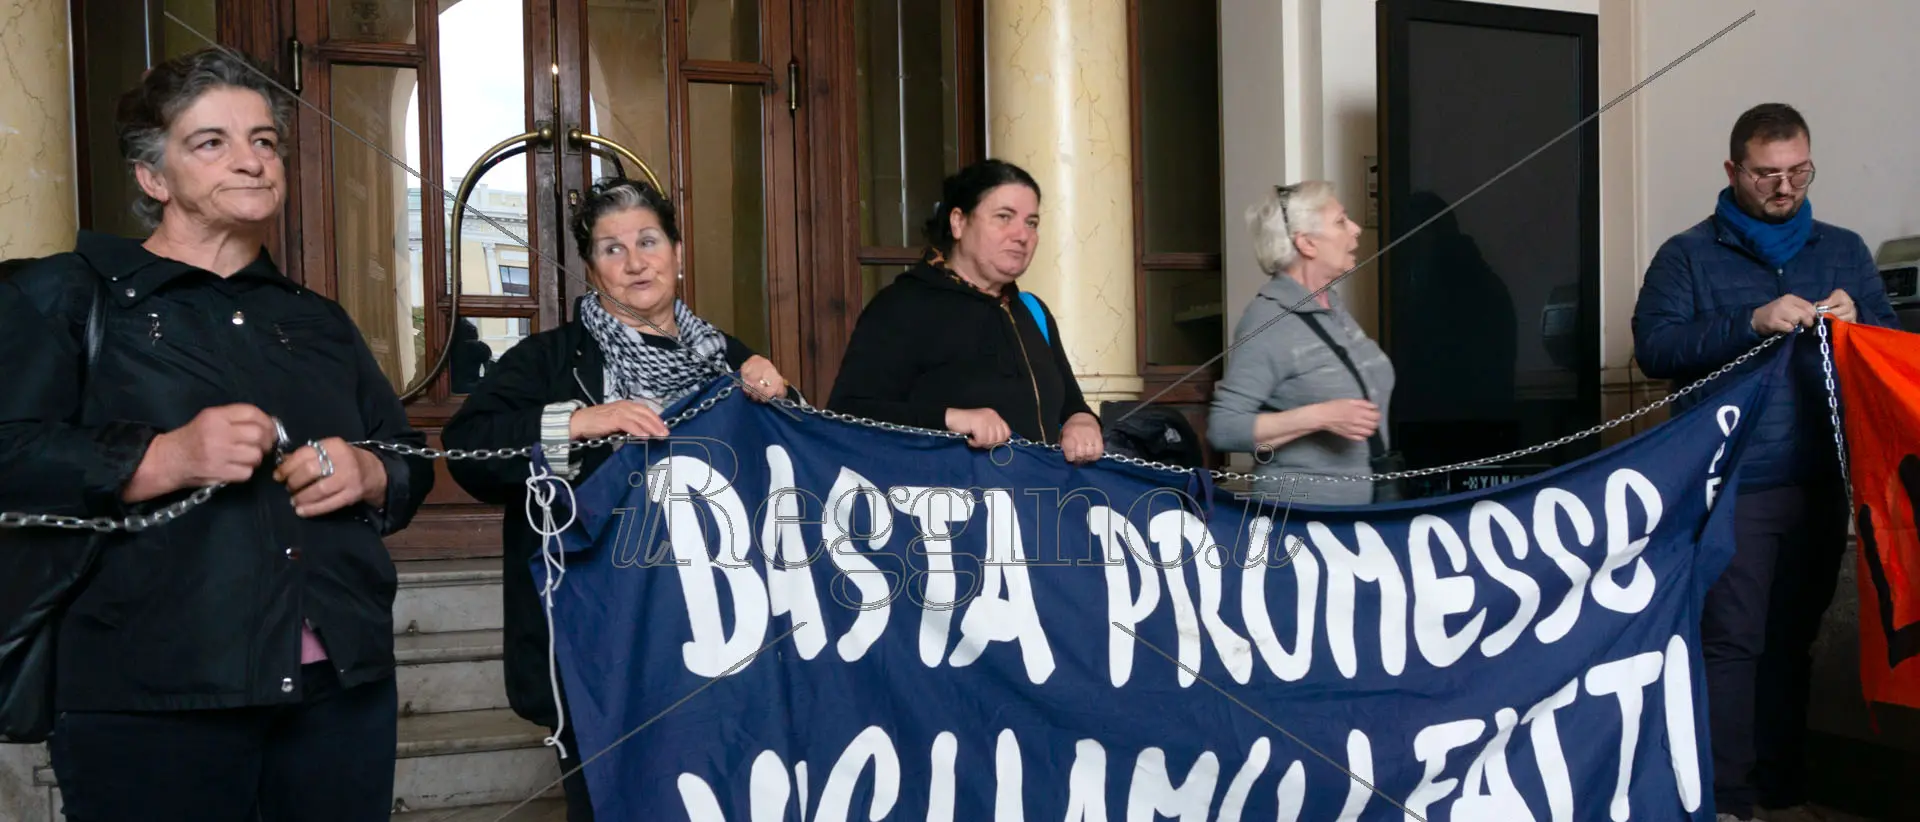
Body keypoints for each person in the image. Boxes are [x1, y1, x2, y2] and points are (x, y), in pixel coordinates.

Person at [0, 47, 434, 821]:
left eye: (265, 141)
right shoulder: (70, 295)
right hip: (151, 696)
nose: (252, 161)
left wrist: (371, 473)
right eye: (213, 142)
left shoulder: (317, 320)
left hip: (338, 689)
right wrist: (161, 456)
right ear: (153, 177)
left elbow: (408, 463)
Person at [440, 176, 791, 822]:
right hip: (605, 645)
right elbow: (469, 449)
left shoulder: (726, 358)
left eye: (648, 241)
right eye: (611, 249)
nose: (634, 262)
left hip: (718, 634)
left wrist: (779, 395)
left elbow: (786, 470)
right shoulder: (550, 361)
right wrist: (576, 423)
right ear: (591, 268)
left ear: (678, 253)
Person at [1631, 102, 1900, 822]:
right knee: (1733, 642)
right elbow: (1654, 349)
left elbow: (1892, 345)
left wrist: (1863, 323)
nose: (1785, 188)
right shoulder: (1686, 255)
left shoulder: (1844, 248)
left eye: (1799, 172)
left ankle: (1783, 794)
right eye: (1768, 175)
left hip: (1822, 480)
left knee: (1792, 642)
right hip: (1734, 482)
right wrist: (1749, 321)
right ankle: (1727, 801)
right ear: (1733, 171)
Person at [828, 158, 1104, 463]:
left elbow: (1071, 405)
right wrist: (951, 418)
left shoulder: (1033, 311)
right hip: (940, 504)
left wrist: (1083, 422)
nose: (1022, 235)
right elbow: (848, 412)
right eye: (1004, 217)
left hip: (1036, 503)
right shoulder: (903, 306)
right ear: (958, 222)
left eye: (1032, 223)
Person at [1208, 181, 1396, 506]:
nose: (1355, 230)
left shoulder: (1331, 306)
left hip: (1364, 512)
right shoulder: (1268, 319)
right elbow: (1224, 428)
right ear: (1307, 243)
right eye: (1340, 221)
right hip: (1303, 520)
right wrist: (1321, 416)